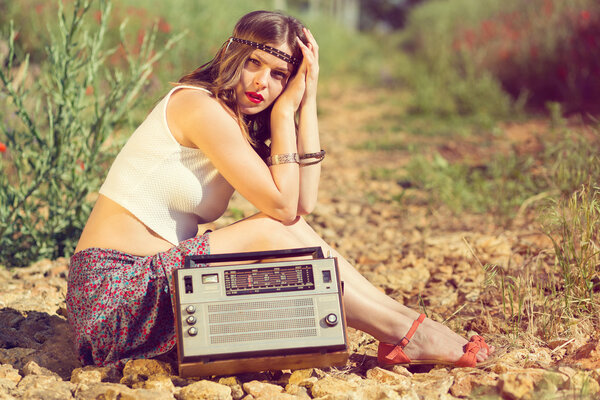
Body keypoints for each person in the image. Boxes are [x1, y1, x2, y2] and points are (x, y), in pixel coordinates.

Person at [66, 10, 492, 369]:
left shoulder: (237, 121)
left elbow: (303, 203)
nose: (261, 83)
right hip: (113, 294)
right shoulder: (198, 107)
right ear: (234, 55)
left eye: (279, 76)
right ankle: (405, 332)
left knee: (285, 227)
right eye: (254, 63)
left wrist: (309, 99)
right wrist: (285, 107)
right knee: (271, 229)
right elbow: (284, 209)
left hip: (159, 282)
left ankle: (408, 325)